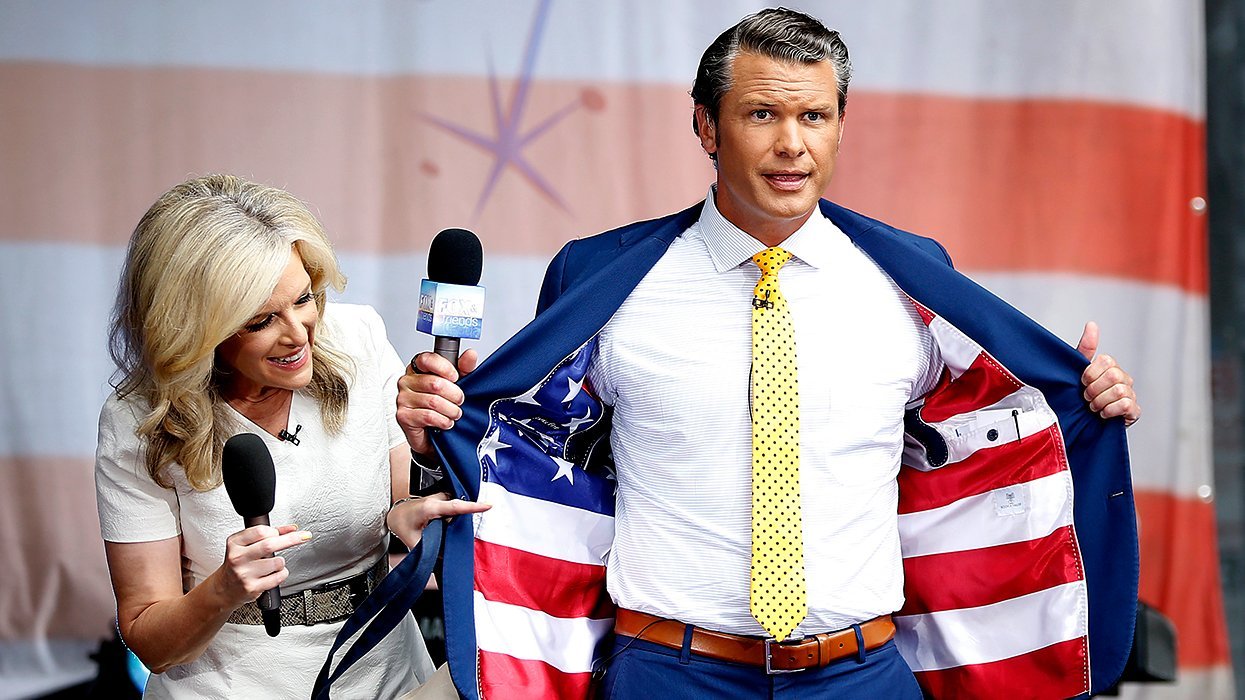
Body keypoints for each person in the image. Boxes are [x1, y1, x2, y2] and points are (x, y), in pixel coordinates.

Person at [397, 8, 1141, 699]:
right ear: (706, 125)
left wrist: (1081, 403)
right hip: (667, 674)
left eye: (814, 116)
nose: (792, 144)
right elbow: (536, 456)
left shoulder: (915, 280)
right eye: (762, 114)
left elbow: (978, 441)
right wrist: (438, 439)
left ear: (840, 125)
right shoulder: (599, 277)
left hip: (862, 675)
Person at [94, 174, 487, 698]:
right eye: (261, 320)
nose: (299, 334)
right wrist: (223, 589)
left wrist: (422, 479)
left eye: (303, 299)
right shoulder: (137, 420)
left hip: (385, 671)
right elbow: (152, 643)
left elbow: (404, 500)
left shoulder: (357, 338)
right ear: (194, 330)